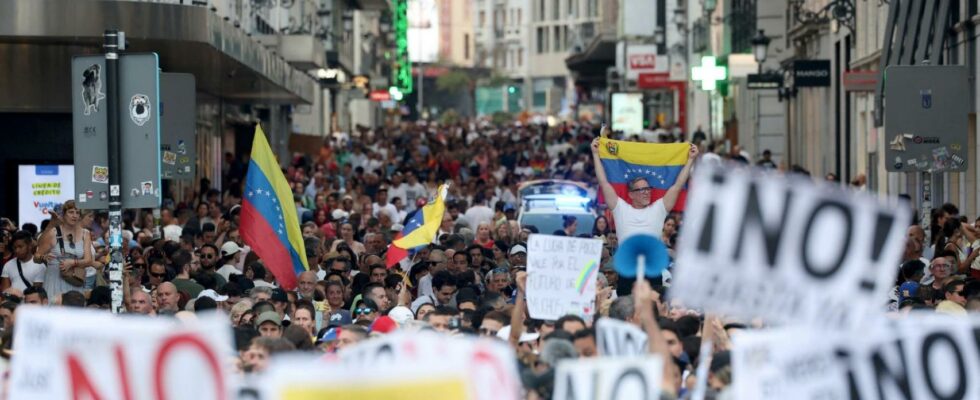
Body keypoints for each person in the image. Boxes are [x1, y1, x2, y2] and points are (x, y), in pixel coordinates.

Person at [591, 137, 698, 242]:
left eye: (648, 189)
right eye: (642, 189)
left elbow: (678, 185)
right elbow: (603, 183)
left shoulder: (659, 209)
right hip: (626, 259)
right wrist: (595, 154)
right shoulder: (620, 208)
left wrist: (691, 160)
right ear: (631, 194)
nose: (647, 192)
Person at [36, 201, 92, 296]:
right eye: (71, 212)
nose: (74, 215)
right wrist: (43, 258)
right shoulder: (53, 233)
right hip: (54, 281)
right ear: (64, 214)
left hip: (74, 280)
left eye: (77, 212)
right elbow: (36, 257)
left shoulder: (85, 233)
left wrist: (72, 262)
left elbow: (88, 260)